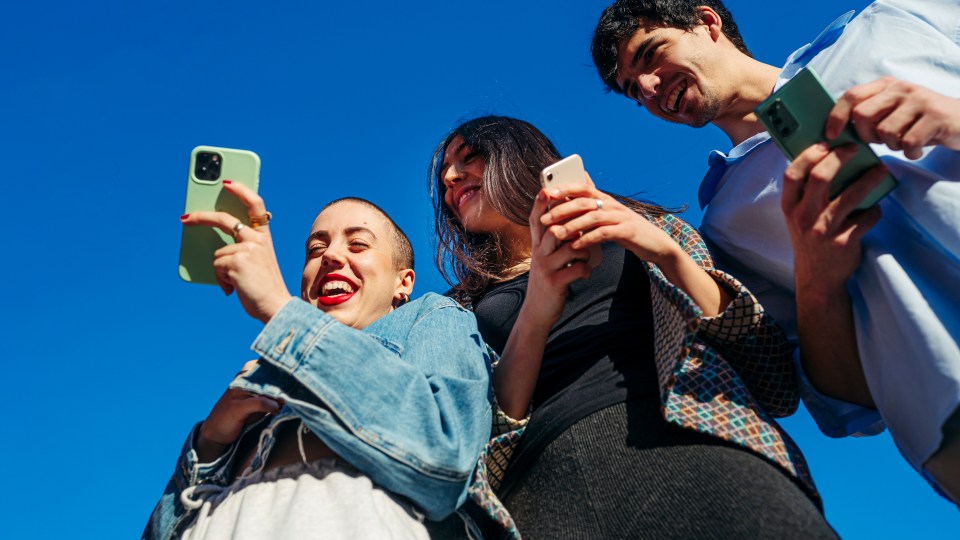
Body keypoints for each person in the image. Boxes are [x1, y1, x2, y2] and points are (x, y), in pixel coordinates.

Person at [591, 0, 960, 500]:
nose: (651, 90)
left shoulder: (892, 23)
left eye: (651, 55)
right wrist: (817, 274)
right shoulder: (724, 230)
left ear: (707, 21)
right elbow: (846, 404)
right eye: (635, 92)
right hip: (947, 415)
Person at [429, 115, 835, 538]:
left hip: (699, 442)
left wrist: (665, 253)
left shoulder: (645, 227)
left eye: (469, 158)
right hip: (540, 488)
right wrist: (537, 306)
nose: (452, 179)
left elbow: (771, 372)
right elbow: (478, 427)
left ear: (519, 156)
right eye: (444, 180)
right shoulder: (453, 309)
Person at [143, 183, 492, 539]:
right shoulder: (262, 377)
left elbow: (447, 460)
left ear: (403, 282)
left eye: (358, 244)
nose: (330, 256)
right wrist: (210, 444)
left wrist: (281, 311)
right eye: (315, 249)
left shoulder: (431, 315)